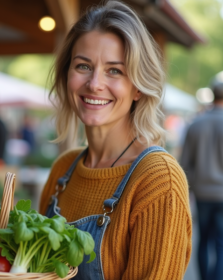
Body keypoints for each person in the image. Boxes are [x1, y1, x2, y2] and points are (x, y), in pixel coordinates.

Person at [38, 1, 191, 279]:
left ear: (137, 88)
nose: (95, 83)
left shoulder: (158, 180)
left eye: (115, 70)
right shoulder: (63, 169)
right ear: (66, 76)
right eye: (83, 66)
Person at [180, 82, 223, 280]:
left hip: (202, 194)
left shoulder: (195, 125)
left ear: (211, 95)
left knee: (203, 242)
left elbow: (184, 165)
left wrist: (187, 194)